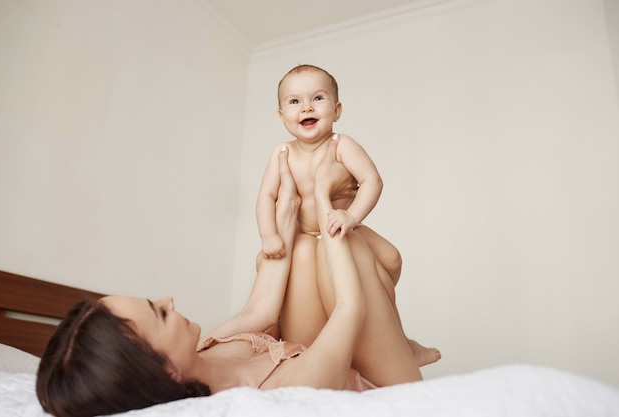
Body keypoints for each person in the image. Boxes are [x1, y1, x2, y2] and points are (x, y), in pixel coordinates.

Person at [36, 140, 430, 417]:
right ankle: (404, 356)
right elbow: (350, 308)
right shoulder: (275, 396)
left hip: (336, 342)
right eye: (159, 314)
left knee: (302, 251)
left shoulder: (207, 348)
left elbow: (261, 308)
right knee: (351, 248)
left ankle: (402, 342)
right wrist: (326, 198)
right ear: (168, 371)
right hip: (387, 383)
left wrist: (289, 206)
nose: (170, 300)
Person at [256, 64, 402, 296]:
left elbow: (372, 181)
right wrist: (269, 235)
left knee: (391, 258)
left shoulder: (341, 145)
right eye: (294, 102)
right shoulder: (283, 152)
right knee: (264, 264)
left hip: (342, 227)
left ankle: (377, 300)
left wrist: (351, 216)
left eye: (317, 98)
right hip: (302, 234)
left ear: (337, 110)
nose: (306, 107)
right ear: (282, 116)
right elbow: (266, 195)